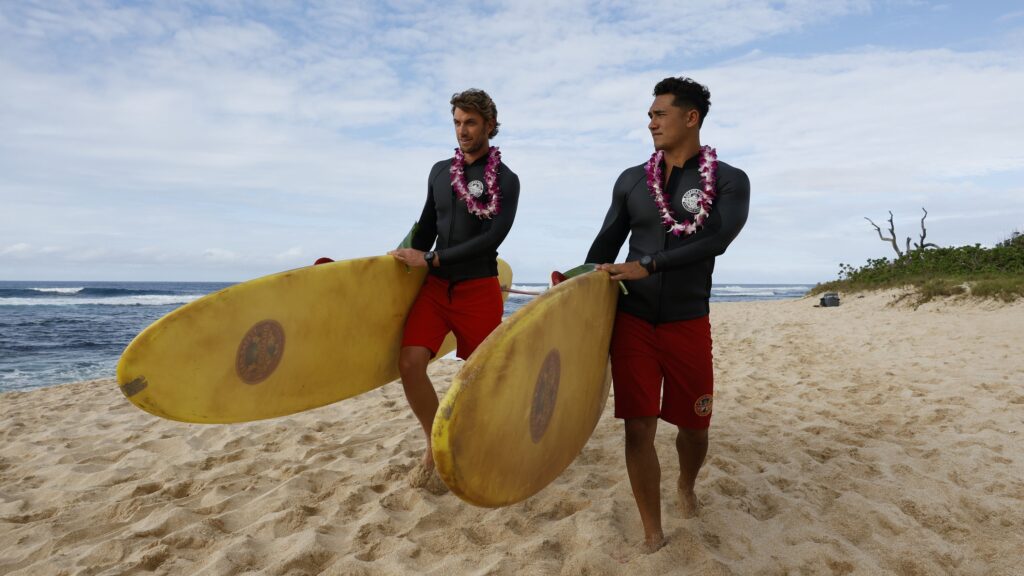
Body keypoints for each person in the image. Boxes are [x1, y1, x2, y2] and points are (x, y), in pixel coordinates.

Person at [585, 77, 749, 551]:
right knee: (638, 425)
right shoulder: (632, 180)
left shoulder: (729, 180)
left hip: (687, 321)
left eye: (659, 114)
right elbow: (604, 246)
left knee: (695, 427)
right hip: (633, 322)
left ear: (690, 117)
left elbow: (715, 240)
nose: (650, 121)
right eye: (650, 114)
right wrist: (577, 281)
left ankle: (687, 484)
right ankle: (652, 530)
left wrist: (650, 264)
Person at [388, 89, 520, 490]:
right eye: (458, 123)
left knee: (482, 380)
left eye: (471, 123)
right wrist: (401, 255)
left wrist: (431, 260)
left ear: (490, 126)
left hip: (477, 288)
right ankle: (436, 445)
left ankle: (485, 446)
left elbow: (491, 239)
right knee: (410, 364)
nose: (463, 131)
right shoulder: (440, 172)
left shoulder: (506, 181)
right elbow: (427, 226)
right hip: (435, 289)